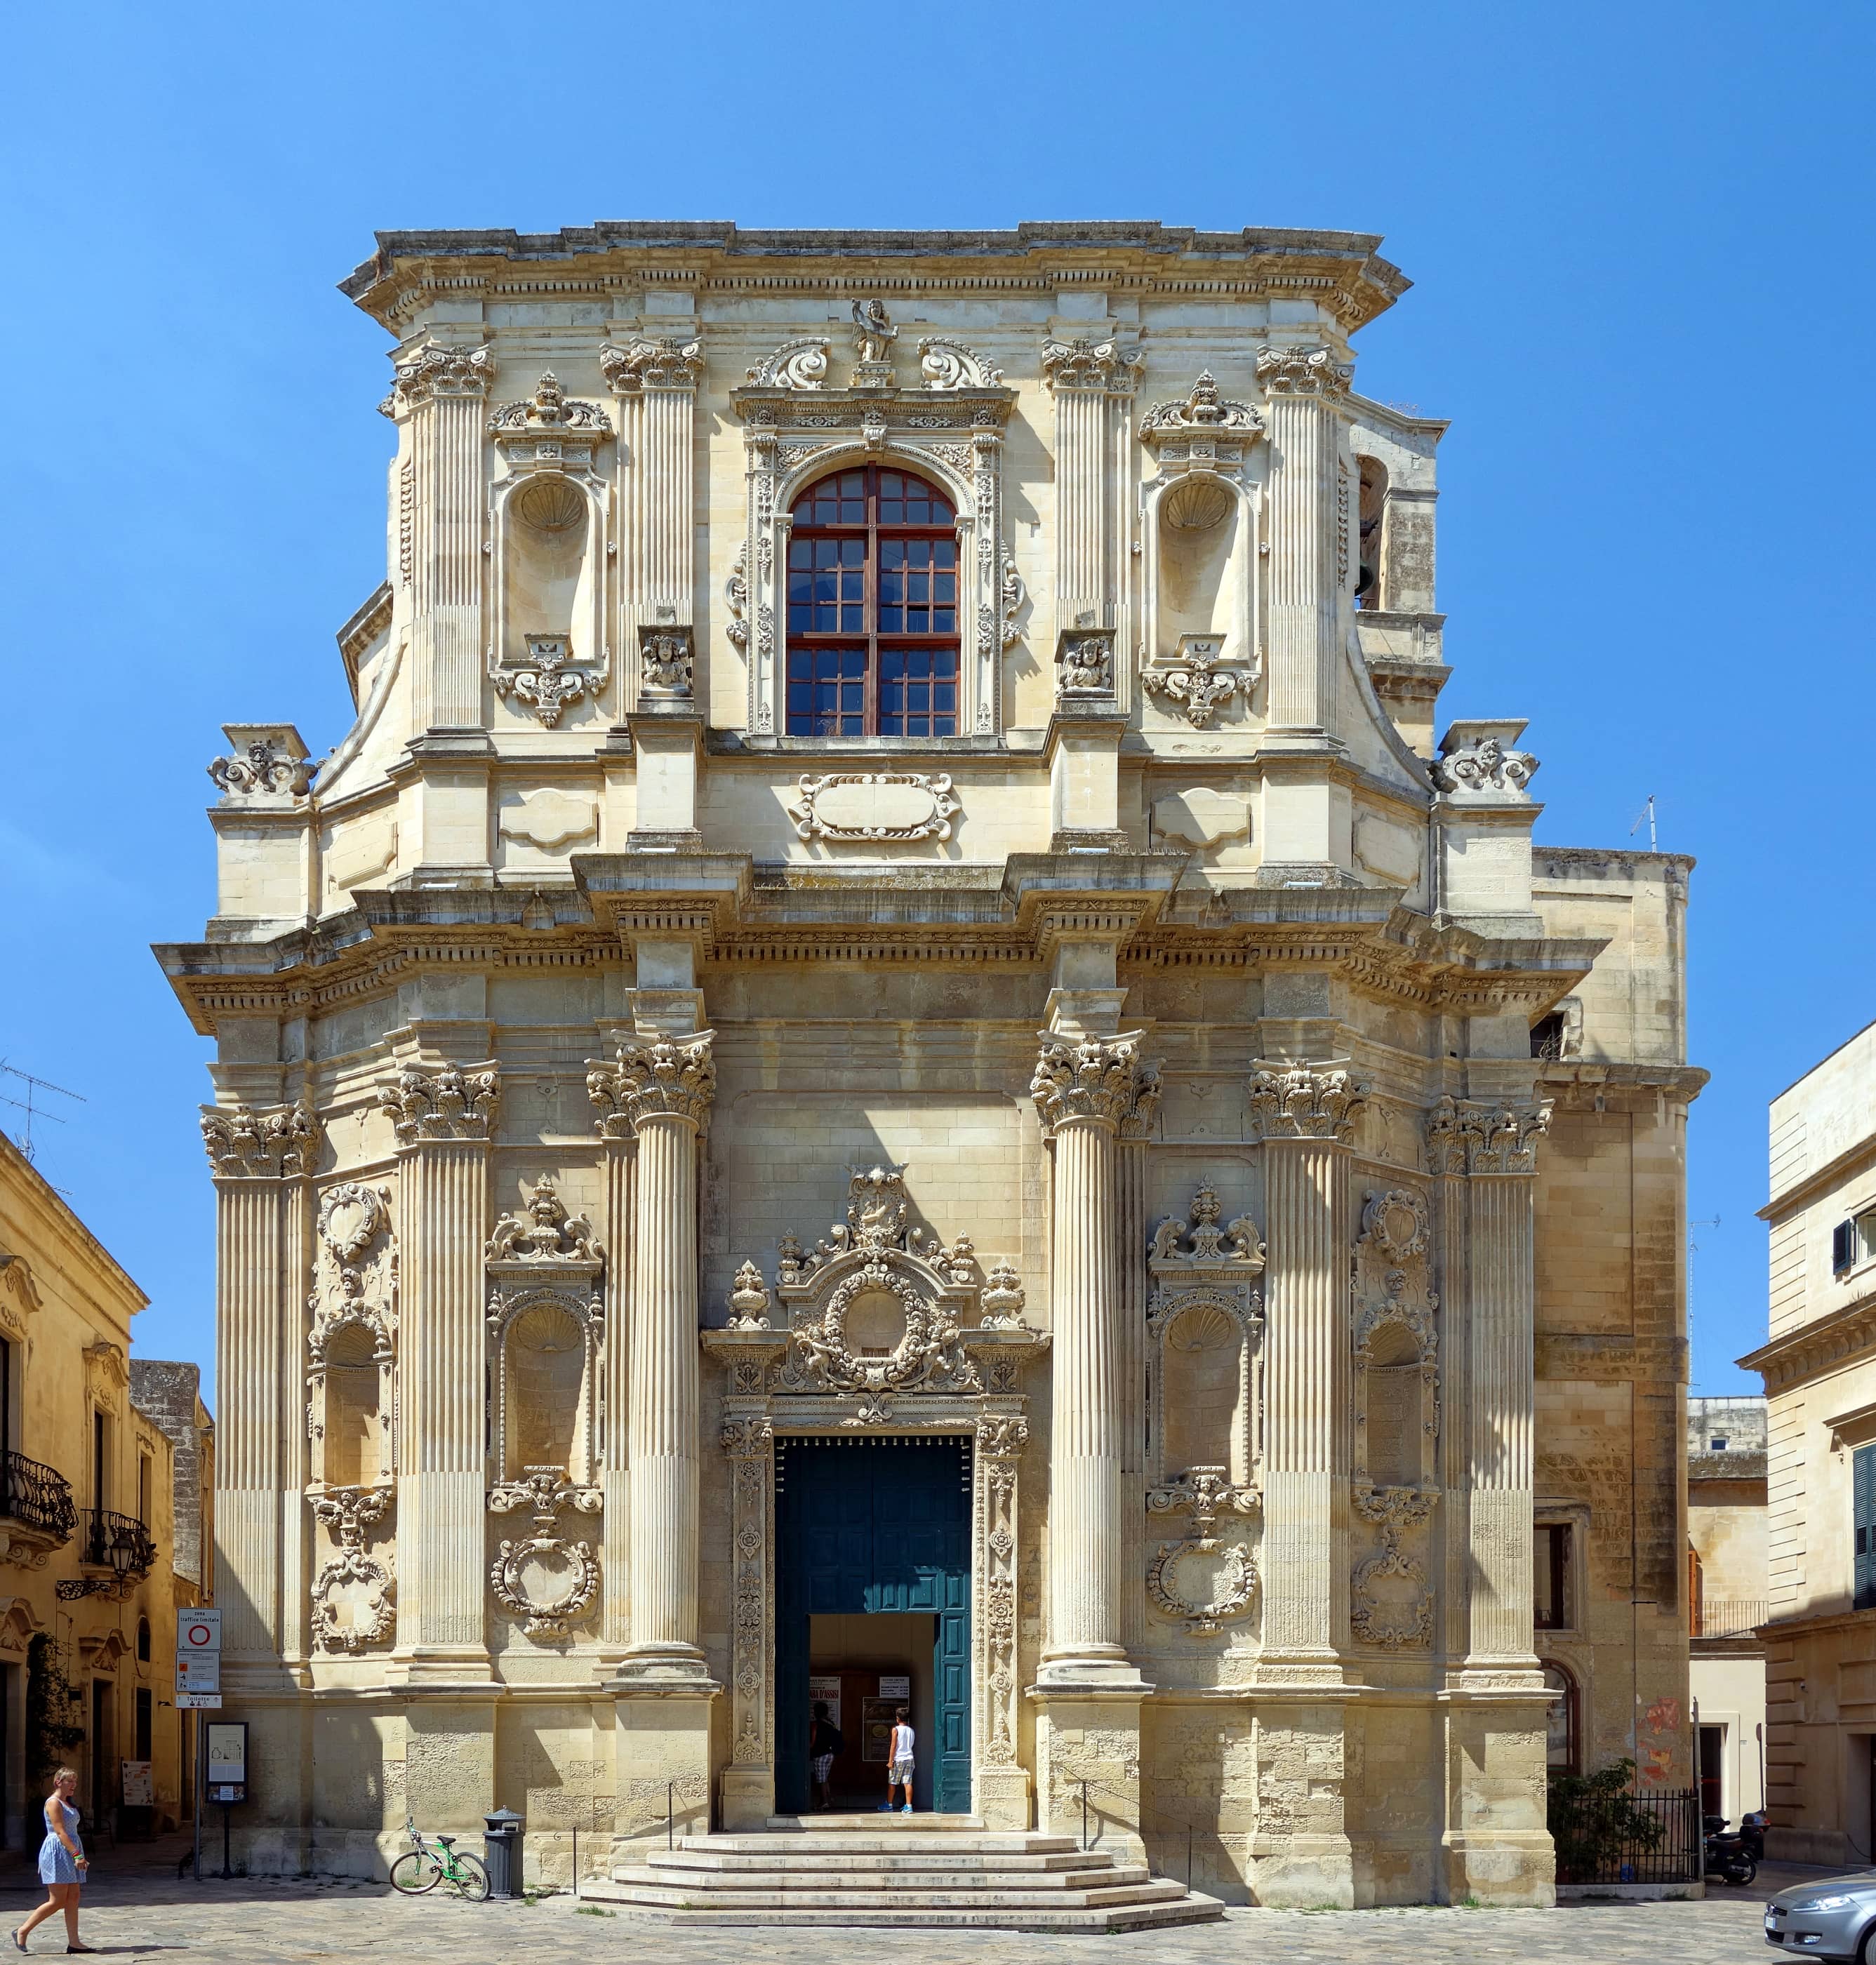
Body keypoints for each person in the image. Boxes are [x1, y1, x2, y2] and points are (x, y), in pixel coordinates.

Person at [14, 1767, 93, 1954]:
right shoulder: (53, 1803)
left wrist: (77, 1852)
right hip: (58, 1851)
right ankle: (23, 1930)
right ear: (58, 1782)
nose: (74, 1785)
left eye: (75, 1781)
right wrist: (77, 1855)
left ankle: (74, 1942)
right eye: (70, 1781)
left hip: (70, 1848)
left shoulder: (67, 1803)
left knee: (74, 1897)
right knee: (57, 1900)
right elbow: (60, 1832)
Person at [809, 1700, 844, 1811]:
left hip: (820, 1754)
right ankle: (829, 1800)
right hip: (830, 1754)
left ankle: (824, 1802)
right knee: (825, 1778)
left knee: (821, 1779)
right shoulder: (830, 1723)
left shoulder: (815, 1724)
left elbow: (812, 1742)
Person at [881, 1705, 914, 1815]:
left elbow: (893, 1745)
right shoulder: (911, 1730)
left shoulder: (896, 1730)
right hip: (909, 1758)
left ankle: (889, 1805)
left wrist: (890, 1761)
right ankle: (909, 1806)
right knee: (908, 1782)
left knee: (893, 1782)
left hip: (898, 1759)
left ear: (898, 1718)